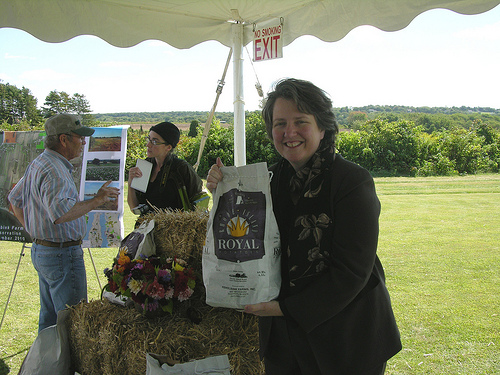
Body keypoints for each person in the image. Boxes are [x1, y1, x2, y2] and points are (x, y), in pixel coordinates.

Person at [206, 78, 402, 374]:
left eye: (301, 122)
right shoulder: (267, 180)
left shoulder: (351, 181)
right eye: (280, 123)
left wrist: (283, 309)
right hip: (284, 341)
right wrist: (221, 193)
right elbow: (246, 233)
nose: (289, 132)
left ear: (322, 128)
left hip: (346, 338)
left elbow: (351, 272)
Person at [8, 113, 120, 332]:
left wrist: (34, 233)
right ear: (64, 139)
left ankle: (46, 364)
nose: (84, 142)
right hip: (61, 254)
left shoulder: (40, 163)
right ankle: (64, 366)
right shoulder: (56, 171)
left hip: (44, 250)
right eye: (80, 137)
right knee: (72, 322)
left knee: (50, 320)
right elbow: (62, 213)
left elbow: (14, 199)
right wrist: (97, 199)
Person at [127, 121, 203, 216]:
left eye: (154, 141)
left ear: (168, 147)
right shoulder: (145, 166)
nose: (148, 145)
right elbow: (134, 207)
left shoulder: (181, 168)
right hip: (146, 227)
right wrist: (131, 183)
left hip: (174, 228)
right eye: (149, 139)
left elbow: (200, 203)